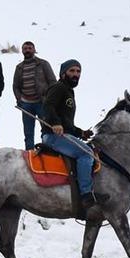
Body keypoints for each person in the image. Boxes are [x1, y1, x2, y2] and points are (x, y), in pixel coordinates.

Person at [40, 59, 100, 210]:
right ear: (63, 73)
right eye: (72, 71)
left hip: (62, 135)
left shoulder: (68, 91)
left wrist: (81, 133)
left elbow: (66, 123)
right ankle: (86, 194)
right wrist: (55, 123)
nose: (75, 74)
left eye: (78, 71)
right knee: (87, 154)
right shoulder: (58, 87)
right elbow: (47, 105)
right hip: (53, 136)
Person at [12, 41, 56, 150]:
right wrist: (20, 100)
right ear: (22, 51)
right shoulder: (19, 67)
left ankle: (47, 152)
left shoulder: (43, 64)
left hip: (42, 103)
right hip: (26, 104)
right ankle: (30, 156)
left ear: (34, 50)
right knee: (28, 133)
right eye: (25, 48)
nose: (27, 50)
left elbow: (52, 82)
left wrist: (50, 99)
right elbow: (15, 86)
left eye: (30, 48)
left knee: (46, 131)